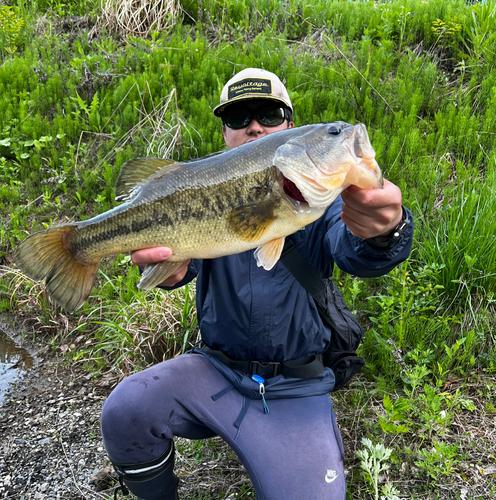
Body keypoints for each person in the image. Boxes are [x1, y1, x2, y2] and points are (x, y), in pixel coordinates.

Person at [101, 68, 414, 500]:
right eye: (238, 117)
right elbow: (178, 268)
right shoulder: (198, 188)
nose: (254, 125)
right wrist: (168, 272)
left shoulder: (320, 205)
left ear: (289, 127)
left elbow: (356, 251)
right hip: (216, 371)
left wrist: (386, 231)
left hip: (295, 385)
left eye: (269, 114)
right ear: (225, 134)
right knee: (126, 409)